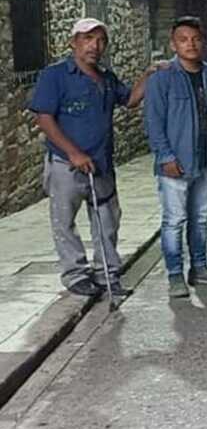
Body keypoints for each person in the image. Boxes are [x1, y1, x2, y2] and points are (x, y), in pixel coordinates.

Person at [29, 18, 155, 298]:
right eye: (87, 39)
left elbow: (131, 100)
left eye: (100, 40)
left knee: (108, 221)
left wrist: (149, 74)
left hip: (101, 163)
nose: (94, 46)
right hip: (66, 164)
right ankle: (75, 275)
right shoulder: (56, 75)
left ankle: (106, 274)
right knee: (64, 221)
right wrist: (73, 152)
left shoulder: (107, 78)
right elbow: (44, 117)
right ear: (73, 42)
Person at [144, 17, 207, 299]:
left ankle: (200, 268)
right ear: (173, 43)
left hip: (205, 160)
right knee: (174, 220)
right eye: (183, 39)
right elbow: (153, 121)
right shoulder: (162, 77)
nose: (190, 44)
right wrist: (165, 155)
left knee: (201, 217)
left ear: (202, 42)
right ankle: (174, 275)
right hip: (175, 162)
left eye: (195, 39)